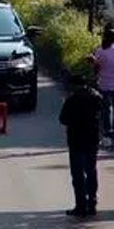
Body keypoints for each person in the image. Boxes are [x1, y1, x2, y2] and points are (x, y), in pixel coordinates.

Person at [60, 74, 102, 217]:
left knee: (78, 174)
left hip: (76, 140)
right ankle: (92, 203)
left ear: (74, 86)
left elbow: (63, 119)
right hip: (92, 139)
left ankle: (81, 206)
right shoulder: (96, 97)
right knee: (91, 171)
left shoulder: (72, 100)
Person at [90, 25, 114, 148]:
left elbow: (97, 67)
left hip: (104, 84)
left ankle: (107, 133)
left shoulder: (100, 51)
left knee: (106, 110)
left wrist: (94, 75)